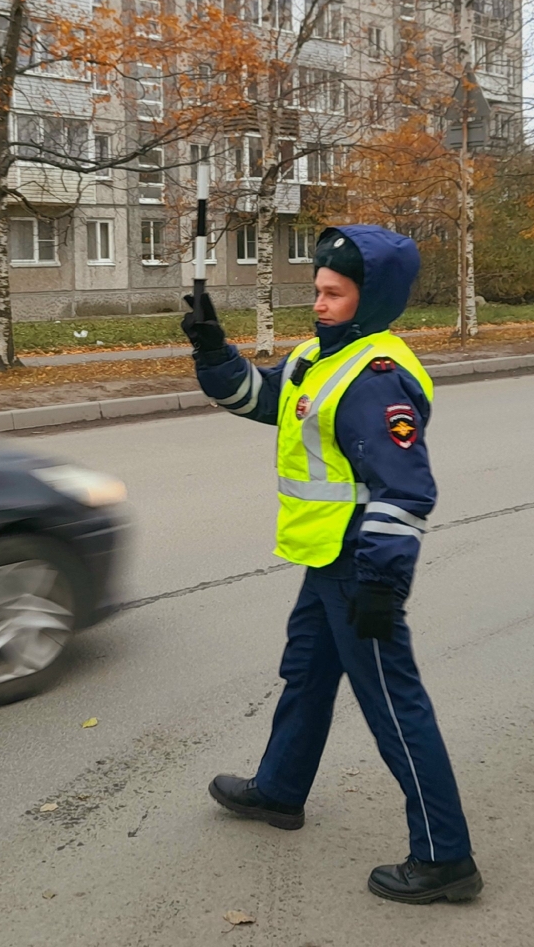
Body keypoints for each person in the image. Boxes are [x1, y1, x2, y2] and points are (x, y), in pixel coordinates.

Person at [181, 225, 481, 905]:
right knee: (306, 676)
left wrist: (380, 583)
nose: (318, 303)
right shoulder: (319, 357)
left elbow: (405, 491)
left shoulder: (378, 378)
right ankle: (281, 792)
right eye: (316, 290)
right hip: (327, 559)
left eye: (334, 293)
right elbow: (264, 401)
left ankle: (445, 856)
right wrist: (211, 347)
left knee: (395, 708)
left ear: (369, 300)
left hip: (358, 565)